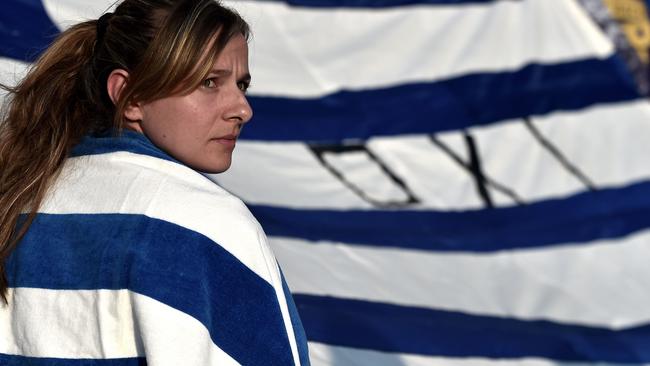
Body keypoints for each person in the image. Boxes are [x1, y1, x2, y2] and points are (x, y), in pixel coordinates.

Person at [0, 0, 310, 365]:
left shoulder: (18, 200)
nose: (242, 108)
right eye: (210, 82)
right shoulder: (205, 219)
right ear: (130, 97)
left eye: (241, 84)